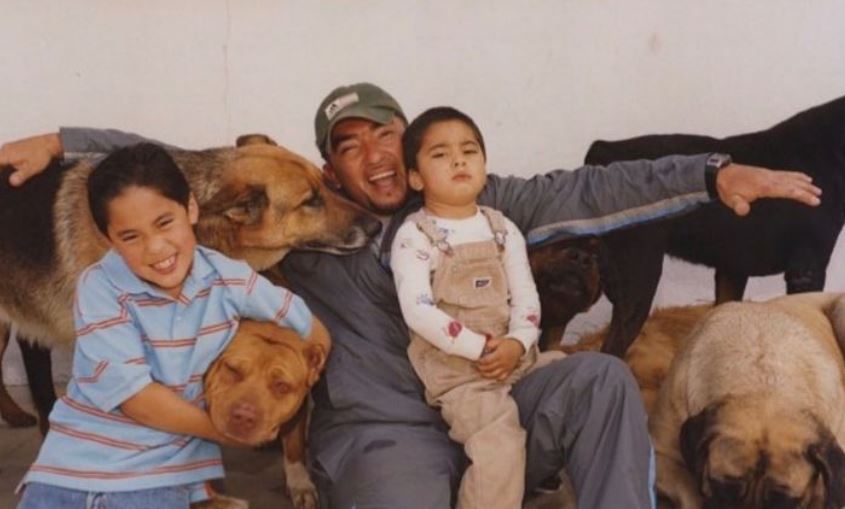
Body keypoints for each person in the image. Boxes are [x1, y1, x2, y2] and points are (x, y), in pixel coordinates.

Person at [0, 83, 821, 509]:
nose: (374, 156)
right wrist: (67, 141)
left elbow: (597, 185)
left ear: (415, 145)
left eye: (385, 134)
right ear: (329, 170)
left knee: (599, 379)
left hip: (493, 401)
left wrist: (713, 174)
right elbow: (182, 168)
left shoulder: (479, 201)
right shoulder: (298, 231)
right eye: (348, 147)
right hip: (384, 435)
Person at [15, 143, 327, 509]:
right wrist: (229, 431)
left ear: (192, 208)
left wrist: (308, 363)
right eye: (131, 236)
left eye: (165, 223)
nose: (156, 248)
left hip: (159, 475)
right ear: (108, 239)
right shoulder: (100, 287)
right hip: (71, 468)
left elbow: (310, 327)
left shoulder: (231, 279)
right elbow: (139, 401)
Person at [392, 106, 564, 508]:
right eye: (440, 154)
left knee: (573, 372)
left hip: (514, 359)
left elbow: (526, 298)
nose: (458, 160)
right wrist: (480, 348)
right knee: (498, 439)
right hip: (462, 376)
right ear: (415, 177)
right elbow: (418, 310)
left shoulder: (502, 229)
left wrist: (519, 343)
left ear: (484, 164)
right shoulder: (415, 236)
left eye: (469, 151)